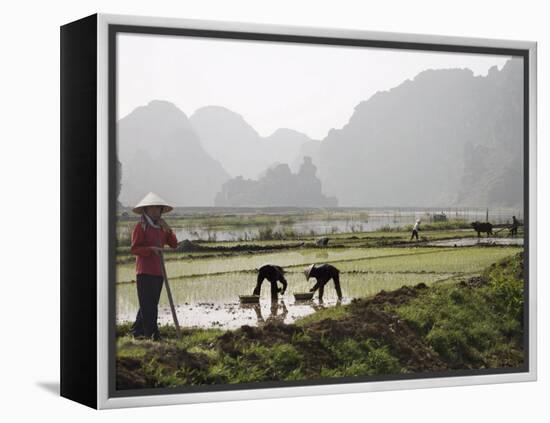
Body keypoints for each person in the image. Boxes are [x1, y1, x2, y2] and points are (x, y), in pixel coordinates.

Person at [130, 192, 178, 341]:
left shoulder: (161, 227)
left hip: (158, 271)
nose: (155, 212)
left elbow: (174, 244)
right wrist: (151, 250)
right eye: (152, 209)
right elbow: (134, 249)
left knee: (149, 304)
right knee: (149, 305)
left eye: (158, 209)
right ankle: (153, 335)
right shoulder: (141, 226)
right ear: (146, 210)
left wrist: (168, 229)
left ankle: (137, 331)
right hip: (144, 272)